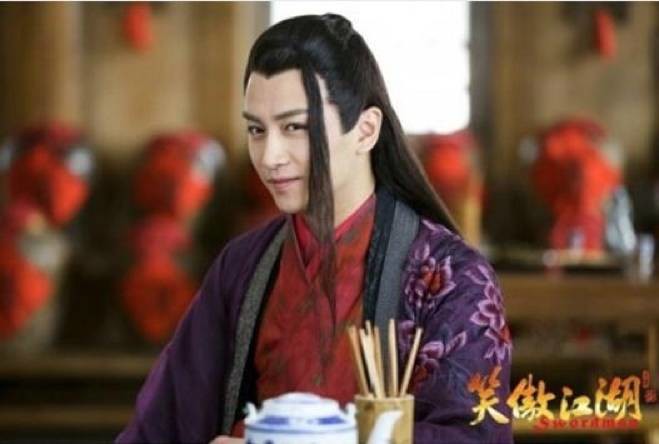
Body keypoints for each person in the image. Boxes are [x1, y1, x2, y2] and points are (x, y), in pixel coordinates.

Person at [116, 13, 513, 444]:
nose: (270, 156)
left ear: (365, 130)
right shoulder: (243, 267)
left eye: (294, 128)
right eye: (256, 130)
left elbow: (473, 435)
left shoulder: (450, 278)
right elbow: (160, 426)